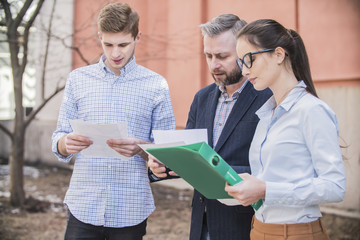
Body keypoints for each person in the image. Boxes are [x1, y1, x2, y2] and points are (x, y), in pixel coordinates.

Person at [51, 3, 175, 240]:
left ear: (137, 37)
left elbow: (169, 151)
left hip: (130, 209)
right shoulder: (78, 80)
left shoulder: (156, 85)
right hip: (83, 206)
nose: (115, 53)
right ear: (99, 37)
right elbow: (59, 136)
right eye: (108, 44)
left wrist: (142, 149)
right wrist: (65, 143)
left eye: (123, 44)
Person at [148, 14, 272, 240]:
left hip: (247, 225)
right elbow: (189, 153)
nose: (214, 65)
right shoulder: (202, 98)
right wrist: (161, 168)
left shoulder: (268, 98)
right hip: (202, 223)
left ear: (244, 53)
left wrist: (215, 170)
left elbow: (272, 166)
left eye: (222, 56)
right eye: (208, 55)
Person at [225, 19, 346, 240]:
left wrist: (265, 190)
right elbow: (273, 176)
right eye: (241, 62)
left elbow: (335, 186)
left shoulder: (311, 110)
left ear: (279, 55)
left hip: (297, 232)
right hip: (259, 229)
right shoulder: (266, 114)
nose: (244, 71)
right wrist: (247, 185)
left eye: (250, 59)